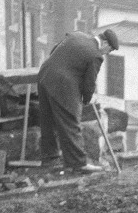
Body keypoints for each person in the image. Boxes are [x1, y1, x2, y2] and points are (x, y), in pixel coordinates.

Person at [37, 29, 119, 173]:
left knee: (47, 121)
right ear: (105, 42)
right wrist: (86, 99)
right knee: (71, 122)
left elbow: (55, 50)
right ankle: (78, 164)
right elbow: (89, 83)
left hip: (45, 75)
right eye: (110, 49)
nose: (107, 52)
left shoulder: (76, 35)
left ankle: (49, 159)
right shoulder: (96, 56)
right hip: (62, 84)